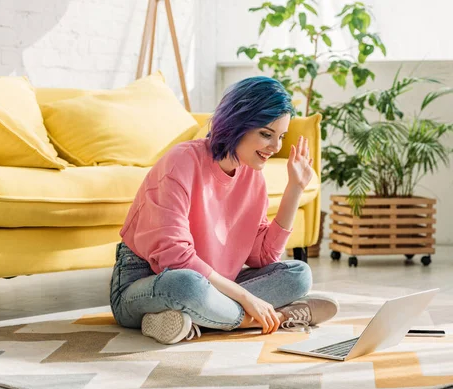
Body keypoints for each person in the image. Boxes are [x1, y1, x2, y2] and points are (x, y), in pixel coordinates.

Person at [109, 76, 338, 345]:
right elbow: (177, 261)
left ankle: (191, 319)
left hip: (214, 284)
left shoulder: (252, 176)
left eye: (280, 137)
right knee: (187, 285)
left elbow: (263, 257)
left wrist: (295, 188)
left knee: (299, 275)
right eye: (266, 134)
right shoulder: (180, 162)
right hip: (149, 281)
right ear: (238, 124)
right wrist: (247, 298)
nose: (275, 147)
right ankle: (265, 319)